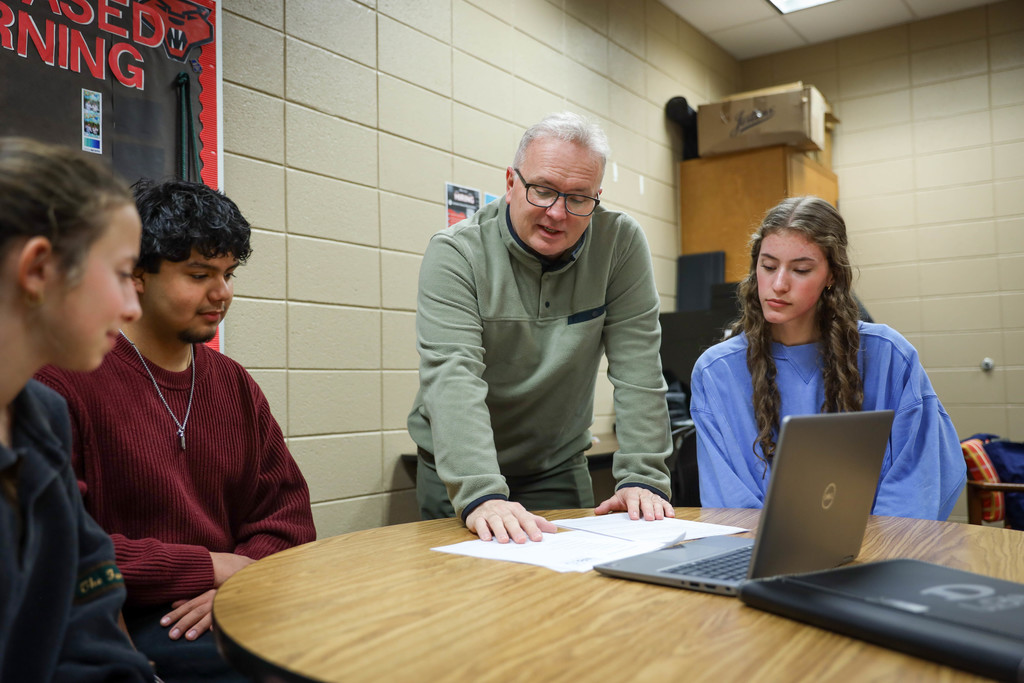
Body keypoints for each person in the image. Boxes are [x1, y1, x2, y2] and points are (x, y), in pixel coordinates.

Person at [36, 179, 316, 682]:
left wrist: (238, 582)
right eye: (198, 274)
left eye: (228, 274)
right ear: (136, 275)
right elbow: (67, 546)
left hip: (234, 596)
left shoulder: (232, 383)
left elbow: (287, 519)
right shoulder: (63, 379)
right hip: (126, 616)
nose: (222, 293)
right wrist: (208, 567)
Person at [408, 112, 674, 544]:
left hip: (556, 464)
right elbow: (452, 375)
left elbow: (639, 368)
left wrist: (643, 477)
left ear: (597, 197)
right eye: (543, 191)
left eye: (578, 198)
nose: (557, 213)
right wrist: (480, 493)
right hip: (458, 469)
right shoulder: (456, 254)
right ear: (511, 182)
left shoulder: (620, 245)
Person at [690, 196, 966, 520]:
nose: (778, 284)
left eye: (801, 269)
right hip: (760, 561)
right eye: (768, 266)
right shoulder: (716, 373)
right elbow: (729, 505)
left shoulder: (890, 357)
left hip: (882, 556)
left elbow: (921, 483)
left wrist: (874, 554)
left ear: (831, 275)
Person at [0, 137, 156, 681]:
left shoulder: (42, 416)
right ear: (39, 268)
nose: (132, 306)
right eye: (120, 273)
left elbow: (88, 614)